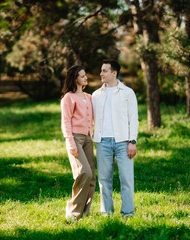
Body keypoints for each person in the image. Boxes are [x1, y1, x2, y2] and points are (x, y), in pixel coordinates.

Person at [92, 59, 139, 217]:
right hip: (103, 142)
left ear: (114, 73)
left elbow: (133, 119)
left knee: (126, 179)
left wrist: (132, 141)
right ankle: (107, 213)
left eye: (104, 70)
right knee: (104, 180)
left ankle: (128, 213)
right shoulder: (96, 95)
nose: (101, 74)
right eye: (101, 70)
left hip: (123, 142)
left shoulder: (127, 93)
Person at [60, 65, 95, 222]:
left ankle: (84, 213)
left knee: (92, 177)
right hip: (75, 138)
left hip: (88, 139)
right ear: (75, 79)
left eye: (85, 75)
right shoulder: (68, 98)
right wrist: (70, 141)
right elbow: (66, 121)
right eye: (82, 76)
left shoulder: (88, 97)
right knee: (84, 172)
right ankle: (73, 210)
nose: (85, 78)